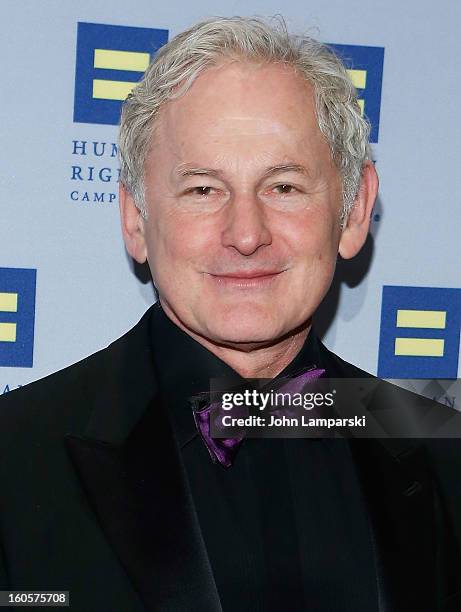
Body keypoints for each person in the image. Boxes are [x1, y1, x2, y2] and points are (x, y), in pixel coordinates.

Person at [0, 16, 460, 612]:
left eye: (284, 187)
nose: (246, 235)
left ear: (352, 213)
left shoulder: (445, 454)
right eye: (202, 189)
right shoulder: (14, 459)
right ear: (135, 218)